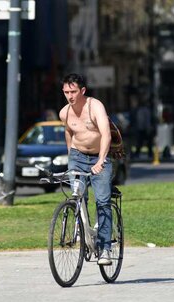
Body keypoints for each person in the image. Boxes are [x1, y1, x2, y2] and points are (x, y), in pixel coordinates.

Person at [58, 73, 113, 265]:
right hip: (77, 156)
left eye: (73, 91)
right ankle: (82, 232)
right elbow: (68, 131)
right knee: (77, 195)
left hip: (99, 157)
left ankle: (105, 248)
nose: (70, 96)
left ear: (82, 91)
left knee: (103, 201)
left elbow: (106, 134)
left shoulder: (95, 106)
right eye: (66, 92)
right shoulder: (64, 112)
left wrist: (101, 160)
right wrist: (70, 157)